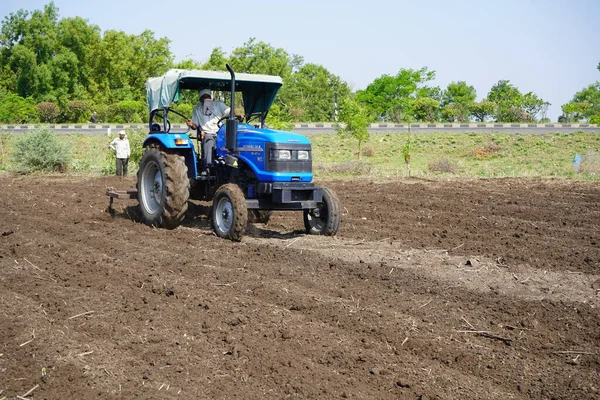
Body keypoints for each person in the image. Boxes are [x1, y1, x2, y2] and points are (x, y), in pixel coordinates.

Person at [186, 89, 241, 167]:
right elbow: (195, 126)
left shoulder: (219, 105)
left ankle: (233, 164)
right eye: (203, 97)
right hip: (207, 133)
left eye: (207, 97)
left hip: (221, 133)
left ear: (210, 97)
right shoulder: (197, 109)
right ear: (200, 99)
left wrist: (237, 114)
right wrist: (191, 124)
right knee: (209, 140)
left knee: (235, 140)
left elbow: (230, 111)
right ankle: (208, 166)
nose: (206, 99)